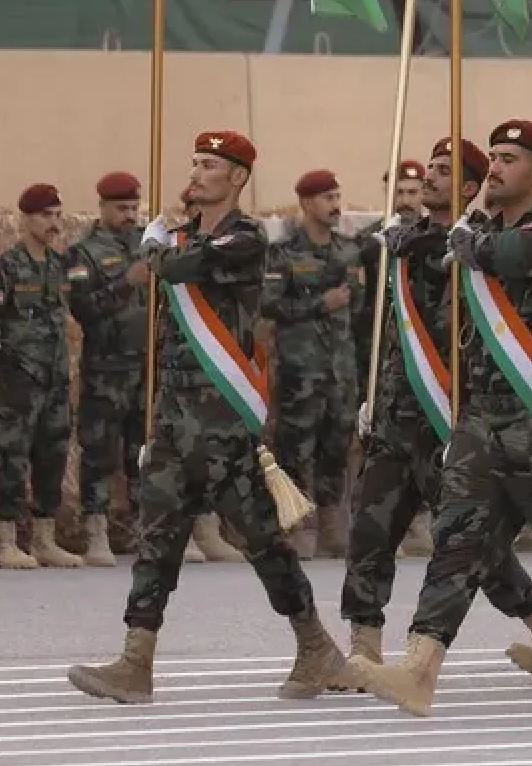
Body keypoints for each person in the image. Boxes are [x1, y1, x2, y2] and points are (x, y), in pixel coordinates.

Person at [354, 121, 532, 718]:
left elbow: (500, 255)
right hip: (483, 415)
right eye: (495, 158)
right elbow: (437, 258)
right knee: (456, 541)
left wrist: (459, 238)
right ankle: (420, 667)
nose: (495, 169)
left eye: (509, 159)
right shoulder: (474, 229)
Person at [69, 131, 335, 702]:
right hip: (174, 415)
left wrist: (158, 239)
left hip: (222, 418)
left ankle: (316, 647)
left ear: (236, 177)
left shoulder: (243, 238)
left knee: (261, 539)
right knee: (157, 538)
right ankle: (135, 662)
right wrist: (164, 236)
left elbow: (179, 265)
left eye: (210, 164)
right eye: (194, 162)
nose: (196, 171)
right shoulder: (181, 235)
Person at [340, 138, 532, 692]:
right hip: (399, 412)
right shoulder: (406, 240)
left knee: (475, 545)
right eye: (430, 168)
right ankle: (362, 647)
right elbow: (384, 328)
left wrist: (419, 242)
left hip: (452, 415)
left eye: (445, 171)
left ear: (470, 187)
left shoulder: (472, 243)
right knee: (370, 528)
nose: (431, 176)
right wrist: (372, 391)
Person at [0, 183, 87, 570]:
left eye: (58, 215)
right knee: (13, 456)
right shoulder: (4, 267)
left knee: (52, 453)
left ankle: (44, 539)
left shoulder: (61, 267)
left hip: (54, 377)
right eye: (45, 216)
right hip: (19, 378)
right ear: (26, 219)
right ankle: (4, 539)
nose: (53, 223)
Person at [263, 170, 362, 560]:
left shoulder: (350, 251)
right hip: (300, 371)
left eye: (337, 197)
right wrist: (320, 304)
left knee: (337, 446)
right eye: (326, 198)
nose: (335, 205)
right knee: (295, 447)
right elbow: (269, 305)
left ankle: (332, 522)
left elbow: (362, 306)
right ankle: (295, 523)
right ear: (305, 203)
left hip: (341, 370)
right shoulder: (283, 254)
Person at [70, 171, 153, 568]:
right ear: (102, 207)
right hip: (107, 367)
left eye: (134, 207)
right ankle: (97, 528)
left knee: (144, 451)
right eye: (122, 208)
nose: (130, 215)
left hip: (145, 366)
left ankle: (144, 526)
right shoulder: (84, 253)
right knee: (100, 450)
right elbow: (83, 309)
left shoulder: (148, 247)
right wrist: (125, 281)